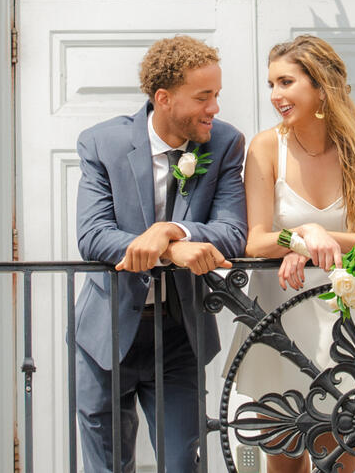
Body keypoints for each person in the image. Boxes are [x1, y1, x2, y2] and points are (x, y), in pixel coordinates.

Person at [236, 34, 355, 473]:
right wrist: (300, 238)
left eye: (286, 82)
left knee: (342, 455)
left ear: (321, 86)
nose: (275, 95)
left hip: (346, 313)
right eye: (271, 84)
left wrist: (326, 239)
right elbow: (255, 239)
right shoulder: (265, 146)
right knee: (285, 457)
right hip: (281, 312)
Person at [74, 35, 249, 473]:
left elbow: (232, 232)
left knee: (181, 464)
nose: (215, 108)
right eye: (204, 97)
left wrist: (171, 230)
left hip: (179, 334)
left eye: (217, 95)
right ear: (164, 98)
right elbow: (93, 235)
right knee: (107, 466)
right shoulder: (101, 143)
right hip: (106, 334)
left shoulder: (224, 143)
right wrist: (173, 250)